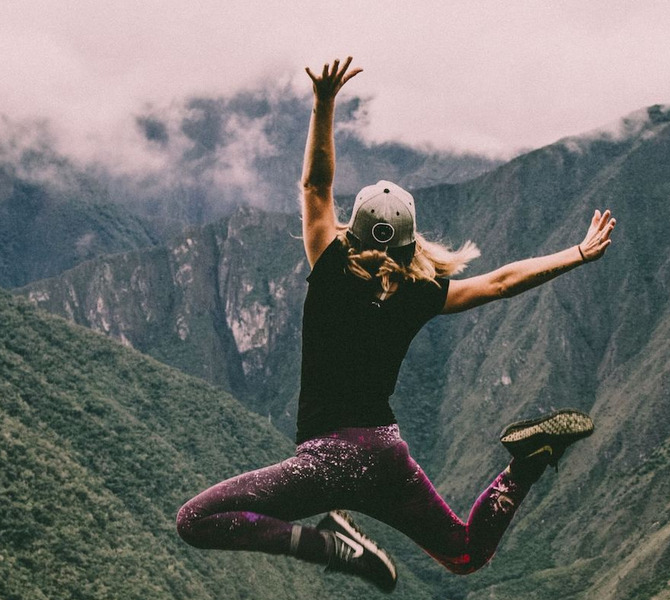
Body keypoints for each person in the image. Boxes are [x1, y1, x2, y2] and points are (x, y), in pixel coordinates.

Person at [176, 57, 616, 593]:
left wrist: (323, 102)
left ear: (352, 232)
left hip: (328, 460)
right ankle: (525, 464)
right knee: (464, 553)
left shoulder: (332, 267)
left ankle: (329, 545)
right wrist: (576, 252)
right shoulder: (421, 293)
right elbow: (501, 282)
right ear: (411, 241)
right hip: (386, 456)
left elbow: (316, 185)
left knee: (195, 521)